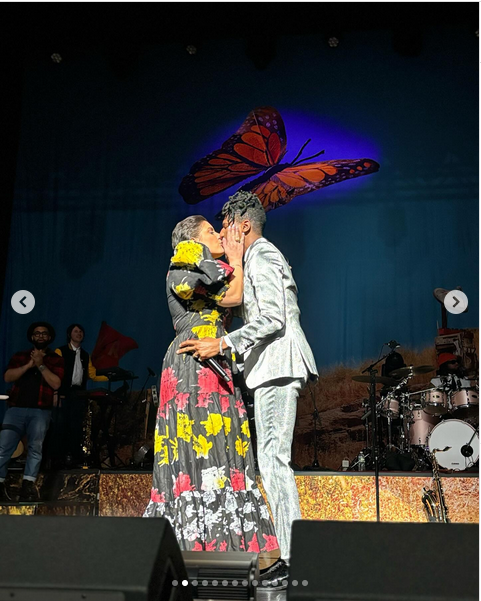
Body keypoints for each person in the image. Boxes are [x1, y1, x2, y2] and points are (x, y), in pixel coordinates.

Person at [178, 192, 318, 585]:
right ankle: (290, 554)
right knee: (271, 460)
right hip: (268, 367)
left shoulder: (263, 255)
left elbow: (273, 317)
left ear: (242, 224)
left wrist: (222, 344)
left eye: (225, 225)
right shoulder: (256, 257)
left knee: (274, 460)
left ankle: (294, 557)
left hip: (278, 366)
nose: (222, 232)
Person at [144, 215, 280, 569]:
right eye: (211, 230)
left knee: (225, 444)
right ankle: (192, 540)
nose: (219, 234)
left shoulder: (205, 267)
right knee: (198, 444)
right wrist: (235, 254)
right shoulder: (185, 263)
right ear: (193, 239)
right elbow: (233, 295)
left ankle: (226, 540)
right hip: (193, 364)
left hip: (213, 358)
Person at [0, 322, 64, 502]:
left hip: (40, 411)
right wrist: (30, 364)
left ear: (49, 337)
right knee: (4, 447)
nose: (41, 336)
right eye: (37, 333)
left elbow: (56, 384)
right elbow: (7, 377)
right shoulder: (20, 356)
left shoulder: (55, 359)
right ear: (32, 337)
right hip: (15, 409)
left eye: (44, 333)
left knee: (35, 448)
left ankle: (28, 485)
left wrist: (41, 365)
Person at [52, 324, 108, 467]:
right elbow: (53, 373)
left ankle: (74, 459)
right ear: (69, 334)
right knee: (60, 427)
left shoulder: (85, 355)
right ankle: (57, 459)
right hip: (63, 394)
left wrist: (111, 376)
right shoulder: (60, 351)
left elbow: (92, 374)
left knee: (76, 427)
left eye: (81, 331)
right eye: (75, 331)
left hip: (78, 395)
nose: (79, 333)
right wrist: (55, 393)